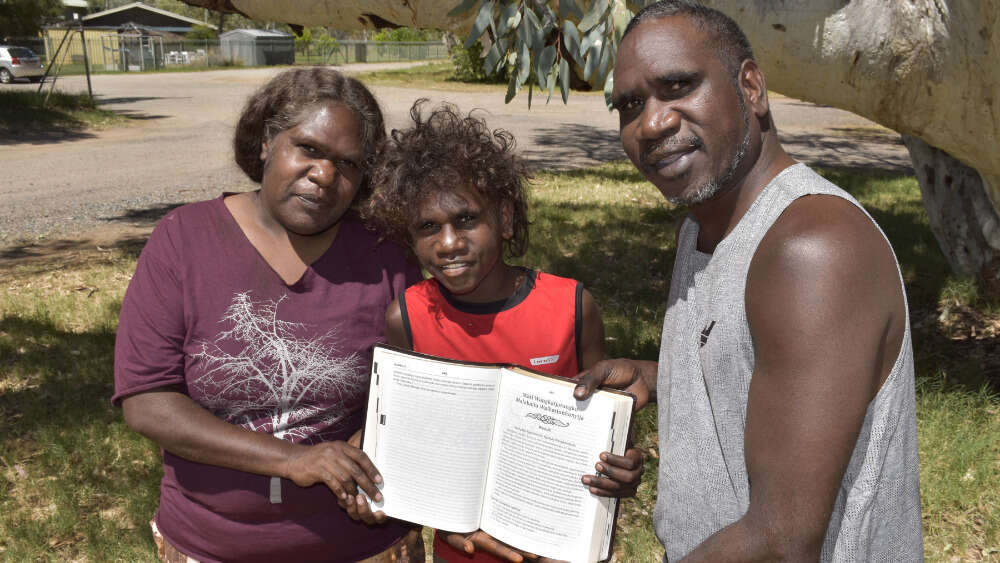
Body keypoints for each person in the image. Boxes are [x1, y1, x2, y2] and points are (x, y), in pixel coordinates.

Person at [573, 1, 923, 561]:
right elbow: (776, 373)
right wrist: (663, 377)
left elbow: (781, 542)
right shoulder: (704, 223)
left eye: (679, 86)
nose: (652, 123)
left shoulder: (812, 250)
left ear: (752, 88)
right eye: (631, 106)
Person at [112, 68, 425, 562]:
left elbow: (424, 384)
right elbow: (147, 399)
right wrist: (297, 459)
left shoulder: (386, 255)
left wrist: (375, 448)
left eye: (348, 164)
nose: (325, 175)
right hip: (213, 545)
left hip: (359, 546)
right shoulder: (184, 240)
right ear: (265, 143)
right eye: (309, 149)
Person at [356, 101, 644, 563]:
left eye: (467, 219)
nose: (449, 242)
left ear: (505, 218)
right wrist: (443, 523)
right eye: (428, 227)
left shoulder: (571, 306)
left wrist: (622, 469)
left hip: (558, 548)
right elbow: (413, 447)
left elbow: (605, 432)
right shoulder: (406, 317)